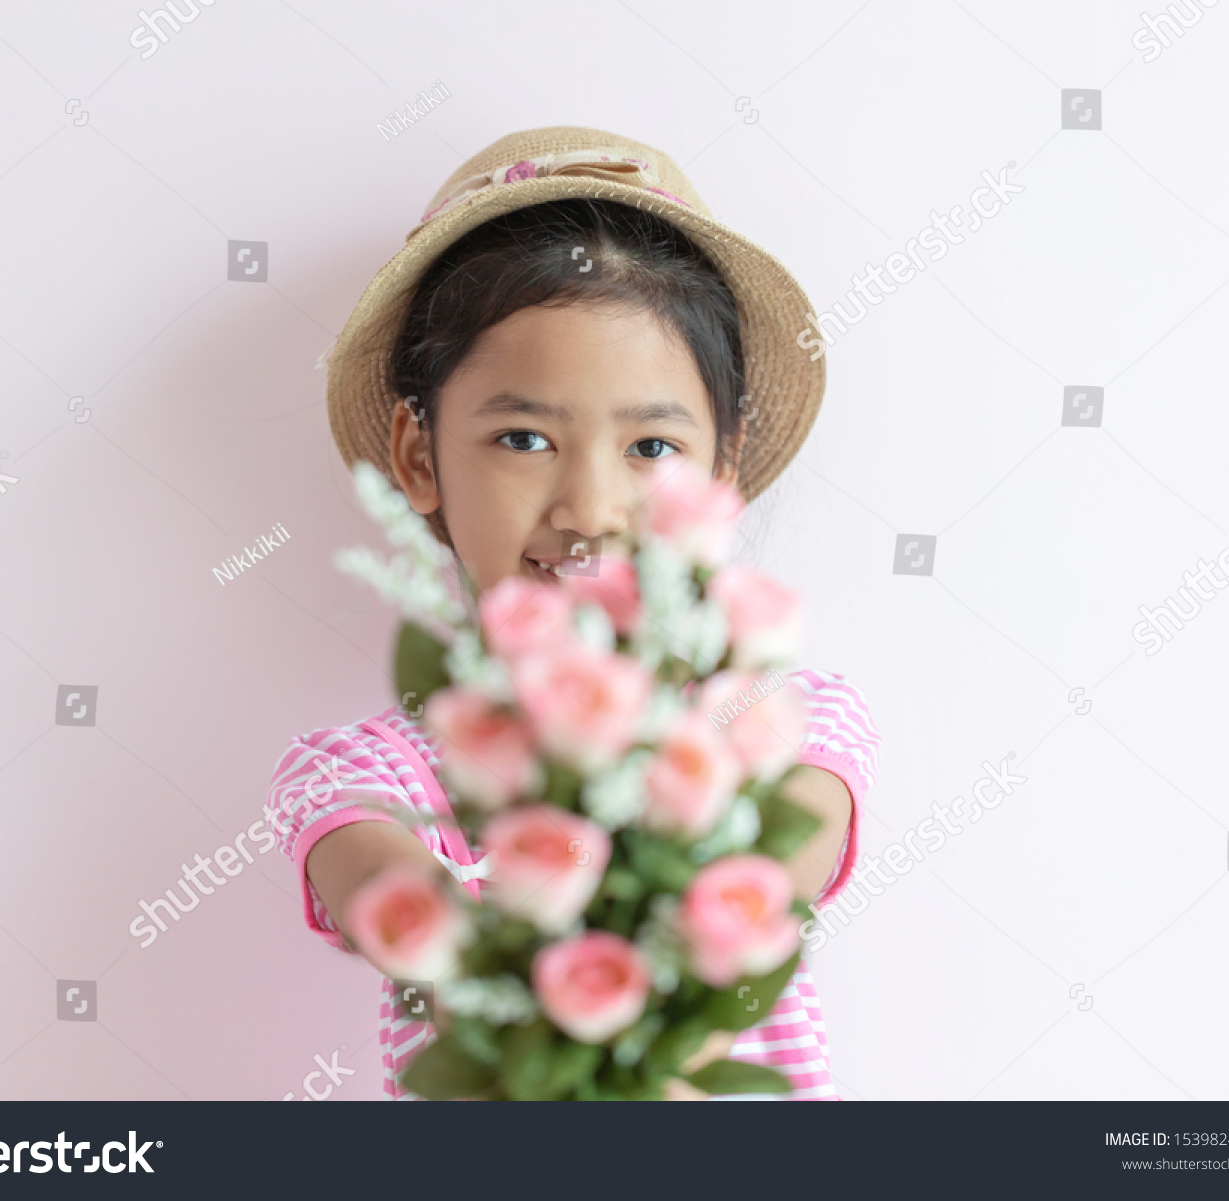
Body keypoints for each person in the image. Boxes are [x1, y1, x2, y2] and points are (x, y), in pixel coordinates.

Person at [265, 126, 881, 1099]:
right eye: (523, 437)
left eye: (651, 448)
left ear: (722, 471)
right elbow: (416, 927)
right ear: (420, 458)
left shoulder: (774, 729)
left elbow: (770, 877)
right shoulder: (365, 778)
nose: (591, 507)